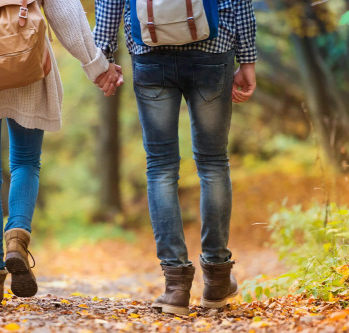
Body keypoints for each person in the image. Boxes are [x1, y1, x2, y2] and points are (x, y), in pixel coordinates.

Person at [0, 0, 123, 307]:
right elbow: (67, 17)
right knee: (26, 163)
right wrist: (98, 67)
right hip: (31, 71)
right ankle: (17, 237)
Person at [94, 0, 257, 315]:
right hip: (213, 48)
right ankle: (217, 278)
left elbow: (109, 3)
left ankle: (176, 287)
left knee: (160, 168)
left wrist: (103, 59)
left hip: (150, 53)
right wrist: (247, 59)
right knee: (212, 164)